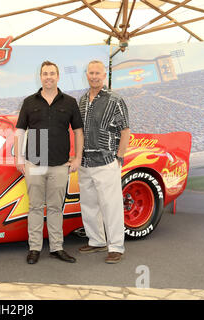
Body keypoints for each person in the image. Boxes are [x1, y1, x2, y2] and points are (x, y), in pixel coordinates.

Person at [14, 60, 84, 265]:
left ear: (58, 76)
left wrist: (78, 157)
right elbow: (20, 131)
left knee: (55, 208)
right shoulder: (29, 102)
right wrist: (19, 157)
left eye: (52, 73)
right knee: (35, 207)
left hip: (60, 164)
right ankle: (34, 248)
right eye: (45, 73)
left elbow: (78, 131)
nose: (48, 77)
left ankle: (57, 247)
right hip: (34, 162)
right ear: (40, 77)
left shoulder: (70, 102)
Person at [77, 60, 130, 264]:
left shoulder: (115, 99)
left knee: (111, 206)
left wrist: (119, 157)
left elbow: (125, 130)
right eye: (91, 72)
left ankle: (116, 246)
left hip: (107, 161)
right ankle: (97, 240)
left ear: (104, 74)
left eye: (98, 72)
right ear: (86, 74)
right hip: (86, 162)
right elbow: (79, 131)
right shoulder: (82, 100)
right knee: (89, 205)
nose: (94, 76)